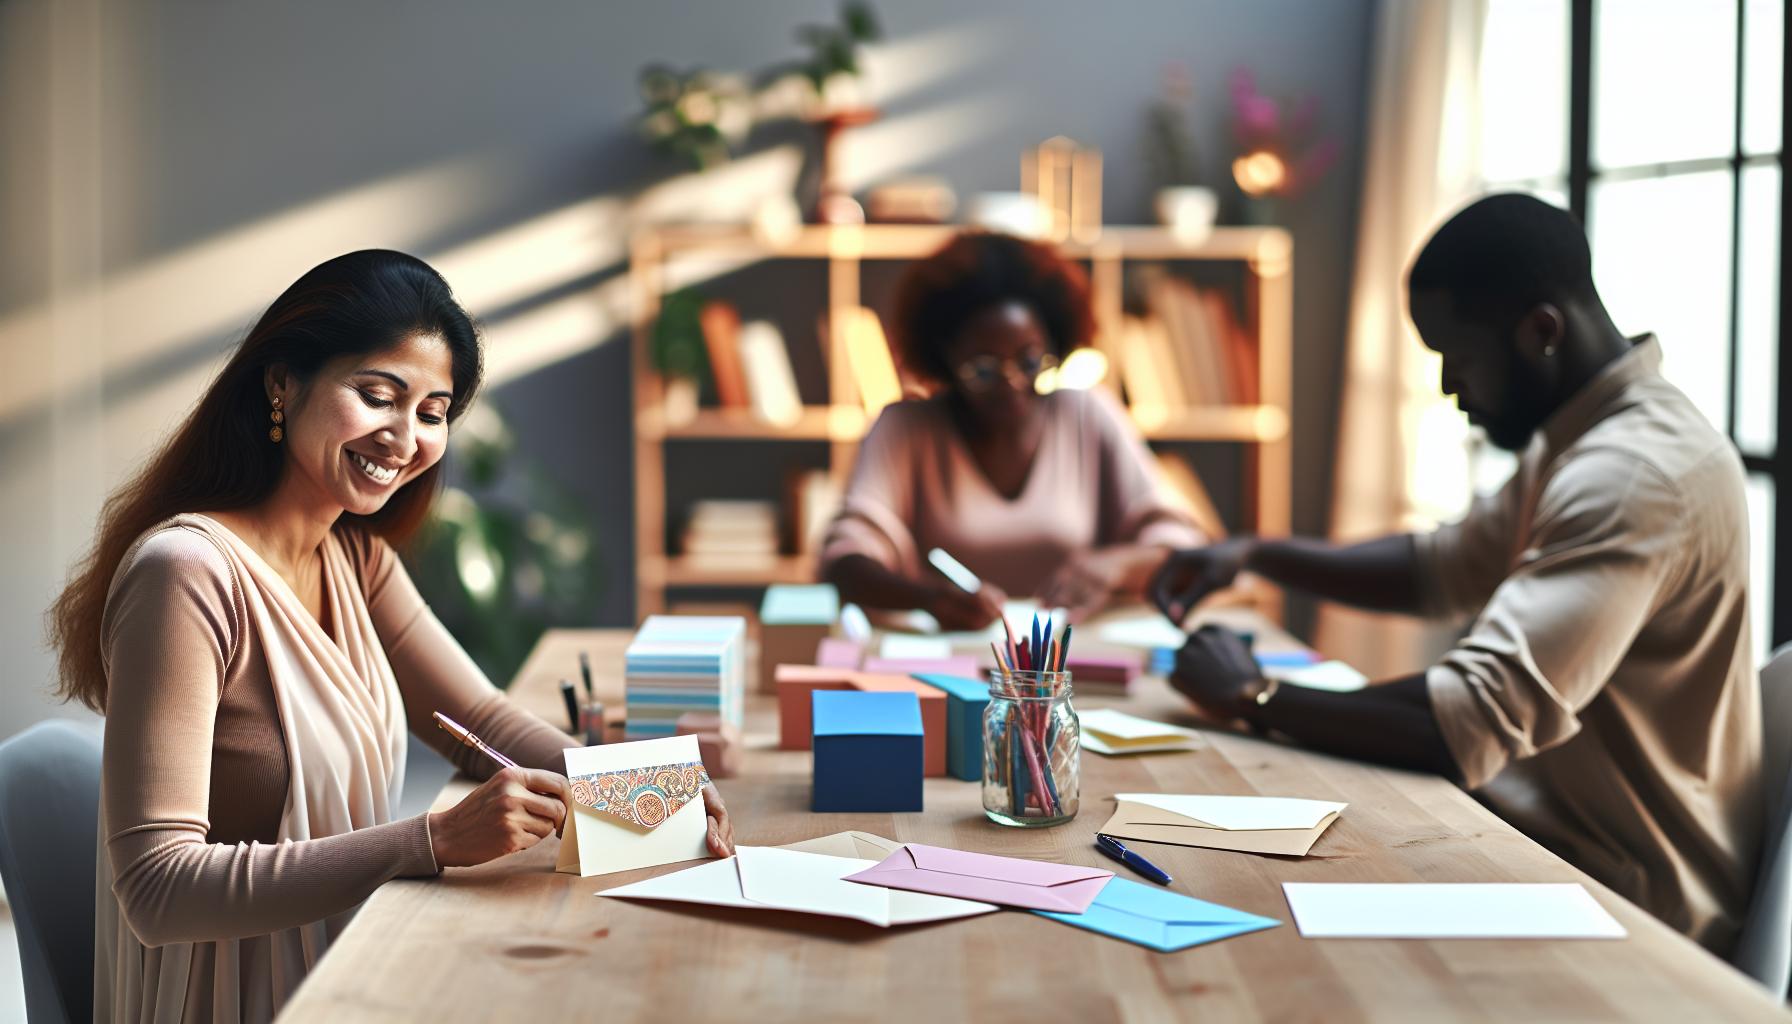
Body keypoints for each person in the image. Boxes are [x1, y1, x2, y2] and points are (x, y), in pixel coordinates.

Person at [48, 250, 736, 1022]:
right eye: (378, 396)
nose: (405, 438)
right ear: (282, 381)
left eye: (433, 412)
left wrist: (647, 784)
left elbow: (483, 721)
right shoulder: (186, 574)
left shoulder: (353, 556)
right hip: (236, 999)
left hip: (354, 957)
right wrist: (432, 841)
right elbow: (158, 889)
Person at [1152, 193, 1761, 954]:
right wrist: (1254, 553)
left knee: (1252, 928)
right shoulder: (1582, 438)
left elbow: (1471, 720)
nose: (1448, 386)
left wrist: (1256, 694)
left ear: (1542, 332)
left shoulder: (1632, 476)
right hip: (1545, 848)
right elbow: (1437, 569)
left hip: (1629, 905)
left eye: (1459, 358)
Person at [821, 232, 1204, 629]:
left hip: (1074, 658)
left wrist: (1116, 566)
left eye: (1029, 361)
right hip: (946, 656)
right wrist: (928, 598)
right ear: (946, 357)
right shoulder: (907, 429)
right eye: (984, 369)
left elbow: (1183, 547)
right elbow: (845, 561)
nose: (1012, 385)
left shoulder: (1087, 414)